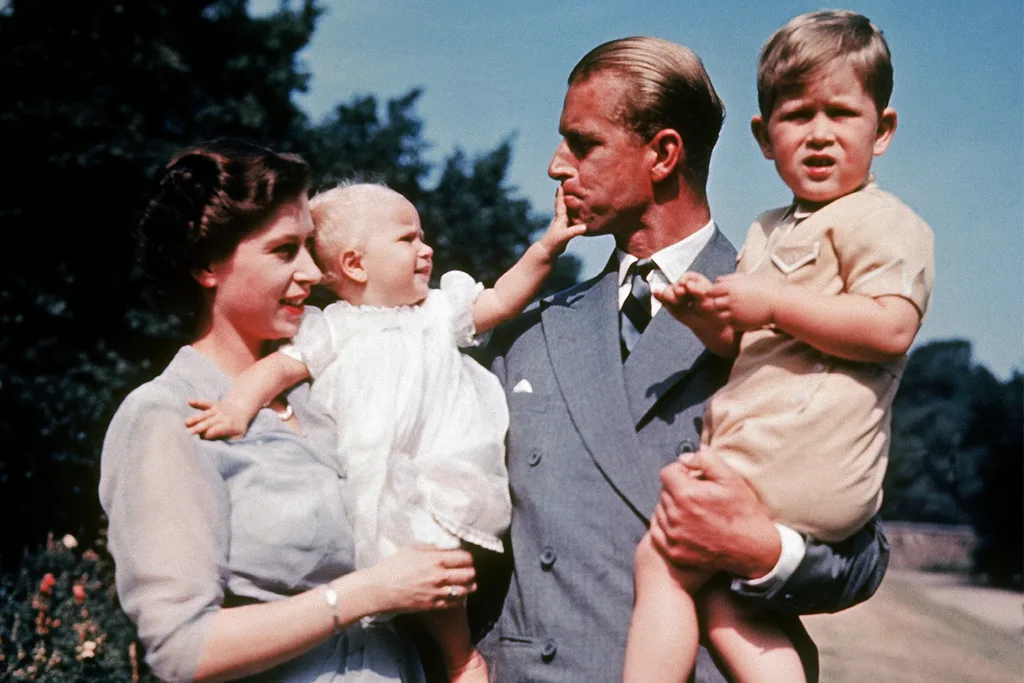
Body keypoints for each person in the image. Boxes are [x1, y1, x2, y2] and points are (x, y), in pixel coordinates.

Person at [472, 36, 893, 683]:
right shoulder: (529, 330)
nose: (557, 166)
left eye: (582, 144)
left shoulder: (792, 315)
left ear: (664, 153)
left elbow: (863, 554)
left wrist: (760, 548)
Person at [624, 11, 935, 683]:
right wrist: (705, 315)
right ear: (766, 138)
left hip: (809, 455)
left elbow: (891, 328)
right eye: (797, 116)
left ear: (881, 130)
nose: (819, 135)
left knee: (663, 557)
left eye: (841, 114)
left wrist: (771, 301)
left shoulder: (887, 222)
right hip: (769, 450)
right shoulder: (769, 229)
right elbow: (742, 342)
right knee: (719, 592)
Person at [99, 139, 480, 683]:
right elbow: (182, 651)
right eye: (284, 252)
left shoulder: (328, 396)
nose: (313, 272)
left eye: (309, 246)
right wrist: (367, 591)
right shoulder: (164, 416)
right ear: (209, 266)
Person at [184, 181, 584, 682]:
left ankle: (460, 656)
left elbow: (501, 299)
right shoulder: (331, 328)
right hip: (368, 470)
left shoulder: (438, 312)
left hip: (440, 467)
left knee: (436, 558)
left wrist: (548, 246)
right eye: (408, 239)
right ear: (355, 264)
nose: (427, 248)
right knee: (374, 563)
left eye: (423, 237)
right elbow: (276, 372)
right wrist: (236, 407)